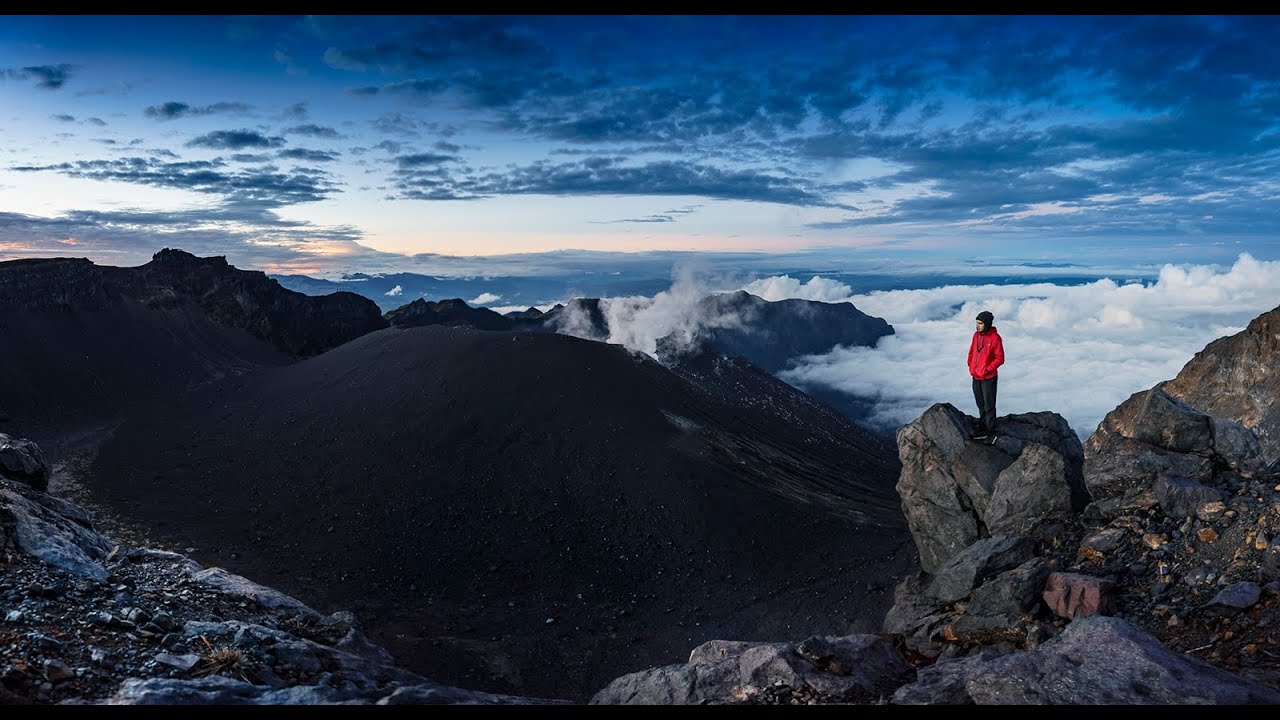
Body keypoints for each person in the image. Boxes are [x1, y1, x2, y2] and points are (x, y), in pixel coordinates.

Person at [967, 310, 1004, 441]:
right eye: (976, 323)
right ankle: (982, 427)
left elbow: (1000, 358)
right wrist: (971, 366)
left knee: (989, 405)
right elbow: (971, 351)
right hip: (976, 376)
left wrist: (987, 369)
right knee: (980, 404)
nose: (977, 326)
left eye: (980, 323)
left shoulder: (995, 338)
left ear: (987, 324)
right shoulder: (976, 335)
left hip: (988, 378)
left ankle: (990, 431)